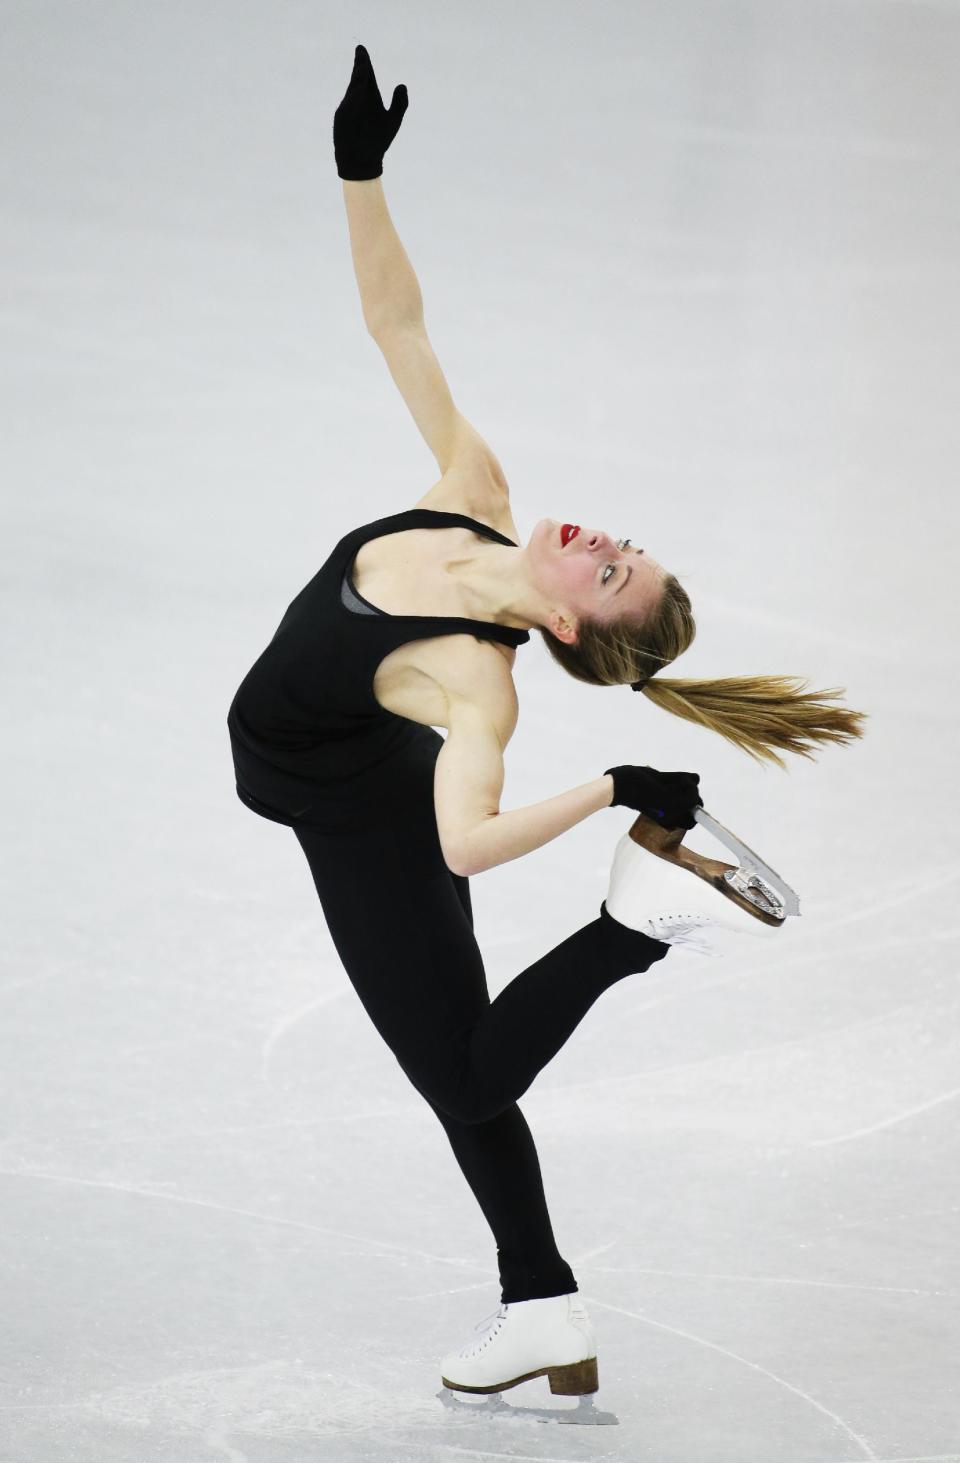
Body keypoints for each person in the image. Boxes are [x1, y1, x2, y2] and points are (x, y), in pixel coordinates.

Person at [225, 45, 868, 1402]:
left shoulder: (479, 678)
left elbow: (460, 847)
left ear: (569, 624)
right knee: (466, 1075)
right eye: (621, 542)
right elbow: (397, 327)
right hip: (339, 774)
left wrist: (605, 794)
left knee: (463, 1076)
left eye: (608, 567)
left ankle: (632, 925)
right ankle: (546, 1314)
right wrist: (359, 173)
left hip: (359, 810)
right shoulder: (470, 492)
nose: (598, 537)